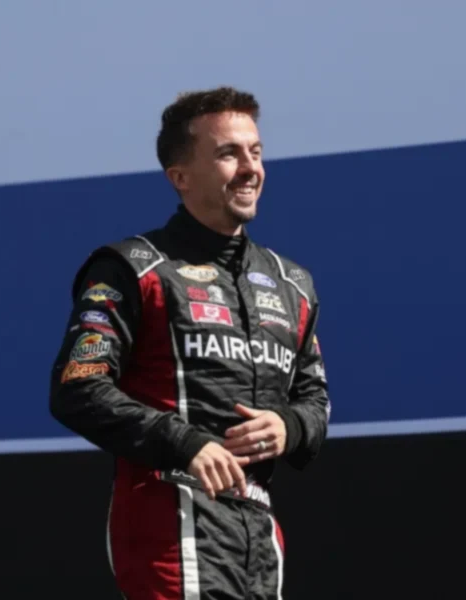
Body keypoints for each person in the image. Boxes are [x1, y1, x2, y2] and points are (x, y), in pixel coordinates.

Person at [49, 86, 331, 600]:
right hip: (169, 521)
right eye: (228, 153)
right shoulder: (134, 268)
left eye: (256, 151)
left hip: (260, 534)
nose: (250, 168)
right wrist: (185, 441)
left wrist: (289, 427)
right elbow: (78, 387)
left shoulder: (293, 284)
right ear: (180, 177)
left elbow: (315, 400)